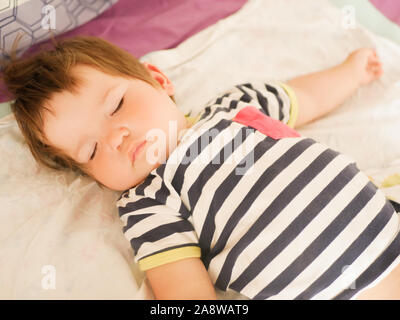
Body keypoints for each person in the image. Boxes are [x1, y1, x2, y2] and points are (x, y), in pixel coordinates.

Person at [2, 36, 399, 300]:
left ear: (158, 80)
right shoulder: (147, 203)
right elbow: (184, 290)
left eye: (116, 105)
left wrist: (350, 73)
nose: (115, 137)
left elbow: (304, 97)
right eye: (90, 150)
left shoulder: (234, 107)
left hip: (386, 228)